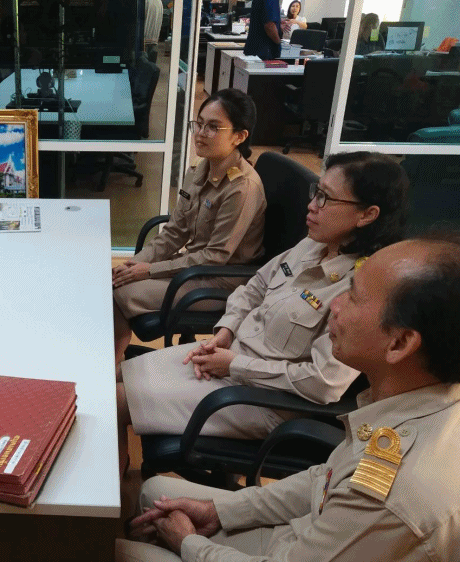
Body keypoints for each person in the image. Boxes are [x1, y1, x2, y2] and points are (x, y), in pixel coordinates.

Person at [116, 228, 460, 562]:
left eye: (354, 296)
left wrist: (187, 544)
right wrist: (218, 511)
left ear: (400, 342)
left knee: (112, 555)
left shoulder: (394, 494)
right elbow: (322, 481)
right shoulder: (409, 403)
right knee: (154, 494)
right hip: (303, 540)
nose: (335, 304)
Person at [116, 152, 409, 471]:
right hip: (230, 359)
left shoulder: (361, 291)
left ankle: (108, 490)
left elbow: (324, 382)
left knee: (113, 400)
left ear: (367, 214)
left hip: (264, 399)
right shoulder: (314, 244)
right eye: (316, 192)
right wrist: (226, 331)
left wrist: (235, 365)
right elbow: (255, 285)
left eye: (326, 198)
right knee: (113, 376)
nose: (312, 205)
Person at [112, 88, 266, 363]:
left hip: (221, 280)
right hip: (194, 267)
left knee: (119, 293)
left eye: (213, 127)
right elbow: (175, 230)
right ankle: (113, 364)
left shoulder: (242, 188)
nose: (200, 134)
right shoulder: (199, 168)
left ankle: (111, 370)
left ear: (239, 137)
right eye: (199, 123)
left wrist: (150, 270)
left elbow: (215, 257)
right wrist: (135, 263)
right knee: (116, 279)